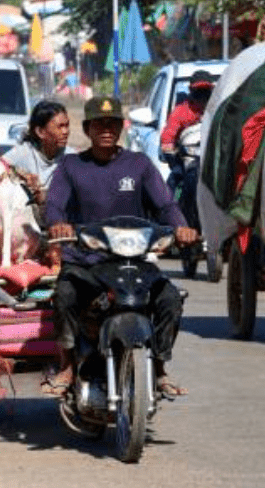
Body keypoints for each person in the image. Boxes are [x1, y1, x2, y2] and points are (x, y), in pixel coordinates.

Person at [44, 96, 198, 396]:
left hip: (133, 262)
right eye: (99, 124)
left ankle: (160, 367)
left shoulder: (139, 165)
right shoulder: (71, 166)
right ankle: (67, 363)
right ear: (87, 129)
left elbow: (165, 204)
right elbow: (54, 205)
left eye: (112, 123)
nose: (106, 129)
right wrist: (57, 224)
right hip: (86, 261)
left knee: (170, 298)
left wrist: (180, 227)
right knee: (64, 293)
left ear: (121, 127)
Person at [2, 100, 73, 191]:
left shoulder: (70, 157)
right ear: (40, 132)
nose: (65, 132)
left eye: (67, 126)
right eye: (60, 127)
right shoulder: (23, 153)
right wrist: (19, 175)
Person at [159, 71, 214, 156]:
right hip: (188, 158)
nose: (202, 96)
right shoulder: (180, 112)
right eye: (198, 92)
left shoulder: (220, 109)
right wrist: (177, 150)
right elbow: (167, 140)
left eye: (206, 91)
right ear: (190, 90)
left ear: (212, 90)